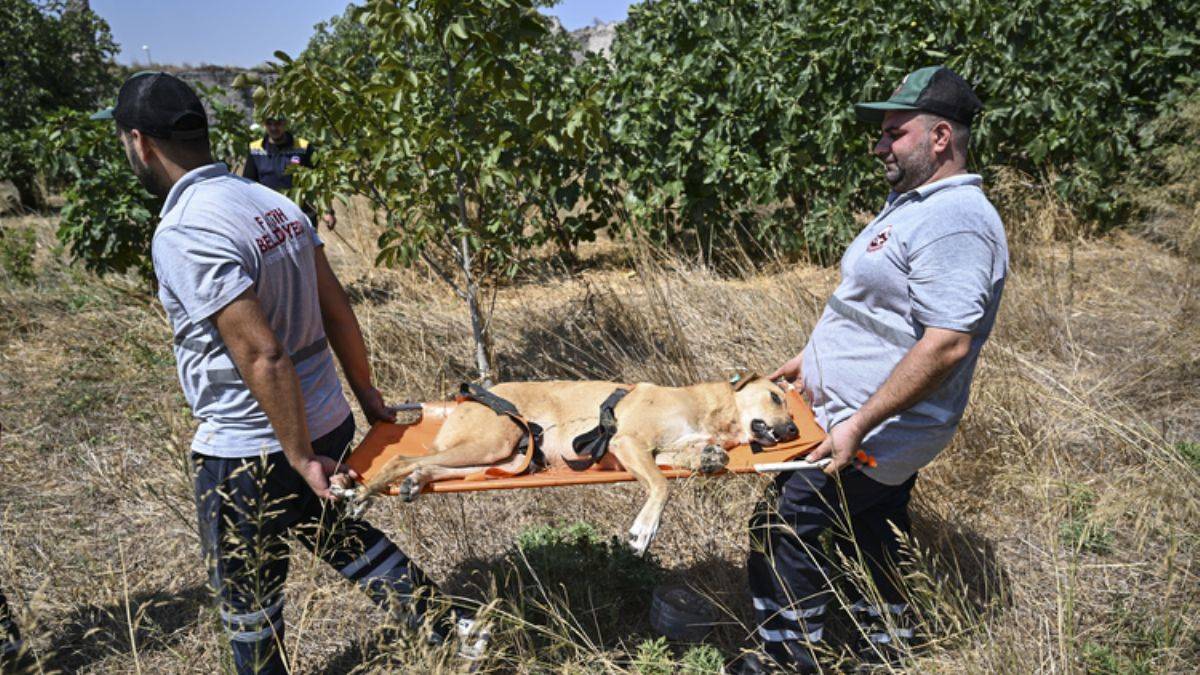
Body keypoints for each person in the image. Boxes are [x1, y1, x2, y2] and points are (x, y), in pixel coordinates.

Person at [91, 72, 484, 674]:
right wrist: (364, 395)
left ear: (139, 142)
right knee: (333, 531)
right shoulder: (270, 202)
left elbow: (262, 355)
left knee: (248, 604)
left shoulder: (186, 229)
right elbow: (337, 308)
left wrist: (297, 456)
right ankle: (449, 628)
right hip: (323, 419)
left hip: (252, 446)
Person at [741, 66, 1008, 672]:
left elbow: (946, 344)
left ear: (940, 137)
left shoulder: (956, 219)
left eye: (894, 132)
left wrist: (858, 423)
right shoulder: (912, 205)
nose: (880, 145)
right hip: (850, 413)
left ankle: (790, 657)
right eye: (881, 133)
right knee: (869, 529)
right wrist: (811, 358)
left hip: (881, 426)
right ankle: (890, 646)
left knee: (784, 523)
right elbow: (871, 308)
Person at [242, 115, 337, 230]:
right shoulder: (255, 149)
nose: (273, 128)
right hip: (269, 216)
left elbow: (319, 180)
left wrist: (327, 211)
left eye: (277, 123)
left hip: (301, 214)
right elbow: (248, 185)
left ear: (285, 123)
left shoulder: (303, 147)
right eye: (269, 123)